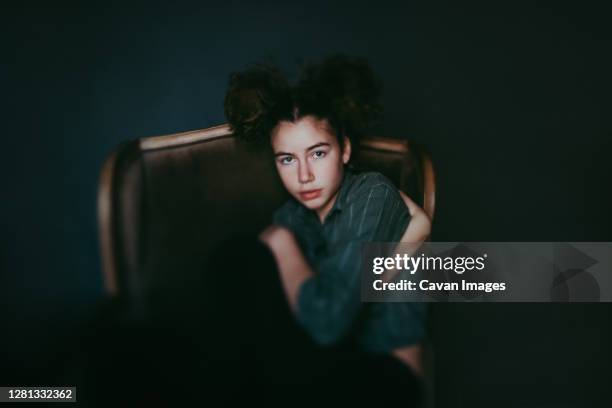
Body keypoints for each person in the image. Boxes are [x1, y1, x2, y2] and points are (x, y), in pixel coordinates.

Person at [223, 55, 431, 405]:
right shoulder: (292, 217)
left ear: (345, 149)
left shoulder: (371, 193)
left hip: (384, 376)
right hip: (324, 364)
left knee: (240, 257)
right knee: (234, 263)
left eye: (317, 153)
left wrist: (281, 245)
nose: (303, 175)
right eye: (287, 159)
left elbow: (328, 321)